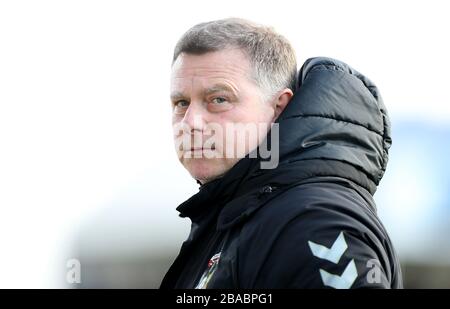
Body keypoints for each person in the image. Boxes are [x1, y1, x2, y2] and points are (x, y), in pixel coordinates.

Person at [160, 18, 402, 289]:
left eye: (218, 99)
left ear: (278, 107)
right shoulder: (237, 214)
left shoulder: (313, 220)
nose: (190, 122)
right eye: (181, 103)